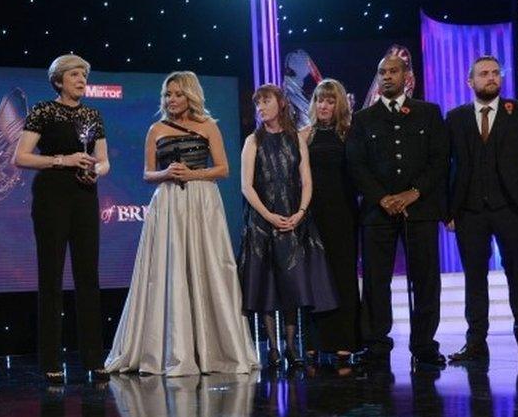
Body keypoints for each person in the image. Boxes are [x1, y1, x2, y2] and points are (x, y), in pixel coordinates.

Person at [105, 71, 258, 375]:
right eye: (167, 95)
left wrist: (192, 174)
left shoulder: (208, 126)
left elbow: (224, 169)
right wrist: (167, 174)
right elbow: (148, 173)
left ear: (191, 95)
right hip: (169, 202)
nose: (171, 100)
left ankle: (215, 350)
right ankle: (172, 349)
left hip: (202, 202)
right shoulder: (155, 129)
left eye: (177, 94)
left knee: (209, 268)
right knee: (168, 270)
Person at [445, 55, 518, 363]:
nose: (491, 78)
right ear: (470, 81)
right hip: (469, 211)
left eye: (496, 72)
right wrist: (448, 211)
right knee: (474, 279)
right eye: (484, 74)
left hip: (511, 209)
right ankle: (476, 344)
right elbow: (443, 167)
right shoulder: (455, 118)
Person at [14, 54, 111, 383]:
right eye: (74, 74)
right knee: (51, 277)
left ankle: (94, 359)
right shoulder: (43, 110)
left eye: (84, 74)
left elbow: (104, 160)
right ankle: (51, 362)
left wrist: (94, 170)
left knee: (88, 277)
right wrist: (63, 160)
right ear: (58, 81)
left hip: (85, 197)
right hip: (52, 197)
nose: (81, 79)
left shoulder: (93, 114)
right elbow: (21, 157)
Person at [346, 54, 449, 364]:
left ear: (407, 75)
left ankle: (424, 345)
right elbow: (357, 165)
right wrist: (382, 198)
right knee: (376, 281)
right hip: (378, 212)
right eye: (382, 72)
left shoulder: (428, 113)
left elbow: (440, 159)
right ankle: (377, 344)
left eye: (393, 71)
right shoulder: (364, 119)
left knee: (426, 279)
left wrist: (412, 193)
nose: (387, 76)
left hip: (420, 209)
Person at [238, 84, 336, 368]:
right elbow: (246, 186)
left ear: (280, 104)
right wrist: (268, 216)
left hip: (294, 218)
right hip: (262, 221)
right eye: (257, 104)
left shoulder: (296, 138)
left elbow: (307, 180)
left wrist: (301, 212)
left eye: (265, 102)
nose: (260, 108)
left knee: (292, 284)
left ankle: (293, 346)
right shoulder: (252, 141)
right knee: (267, 285)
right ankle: (272, 347)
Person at [298, 79, 362, 360]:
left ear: (339, 104)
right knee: (314, 277)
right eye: (319, 100)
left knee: (343, 275)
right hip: (312, 215)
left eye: (330, 101)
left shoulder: (350, 134)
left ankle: (346, 338)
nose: (323, 105)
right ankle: (315, 339)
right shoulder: (304, 136)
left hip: (344, 214)